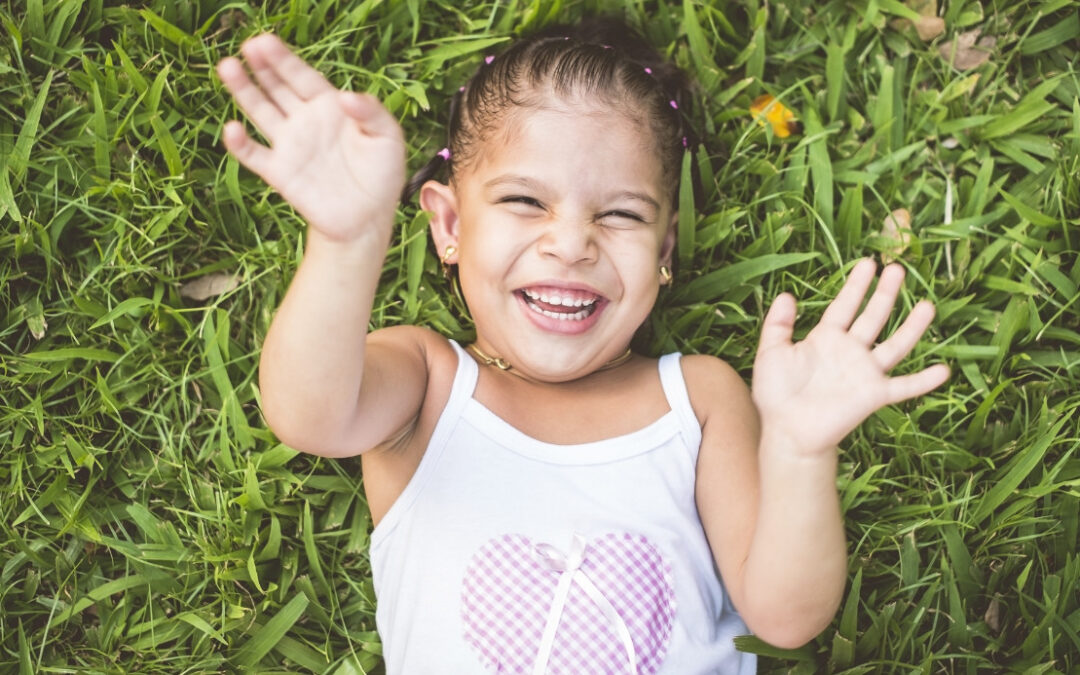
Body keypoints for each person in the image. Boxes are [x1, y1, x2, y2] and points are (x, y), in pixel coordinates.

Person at [216, 17, 949, 674]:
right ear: (448, 225)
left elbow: (784, 618)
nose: (570, 243)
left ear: (664, 250)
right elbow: (307, 415)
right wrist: (347, 242)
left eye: (621, 214)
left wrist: (798, 451)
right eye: (524, 200)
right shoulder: (428, 381)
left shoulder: (698, 396)